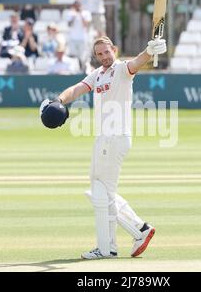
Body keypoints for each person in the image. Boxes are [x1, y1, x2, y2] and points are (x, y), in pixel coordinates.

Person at [44, 36, 166, 259]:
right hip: (104, 139)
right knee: (101, 192)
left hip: (115, 138)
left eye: (106, 52)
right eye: (99, 54)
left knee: (101, 193)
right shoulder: (98, 74)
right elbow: (77, 89)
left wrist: (149, 51)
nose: (104, 57)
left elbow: (137, 62)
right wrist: (58, 101)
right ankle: (134, 232)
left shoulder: (121, 70)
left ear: (114, 50)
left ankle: (114, 243)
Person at [67, 0, 92, 71]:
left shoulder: (86, 13)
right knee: (73, 57)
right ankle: (75, 70)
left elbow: (86, 25)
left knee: (83, 57)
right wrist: (74, 16)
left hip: (83, 38)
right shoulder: (70, 13)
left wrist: (80, 14)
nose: (77, 7)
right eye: (76, 6)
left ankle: (83, 70)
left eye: (78, 5)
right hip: (73, 39)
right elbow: (69, 24)